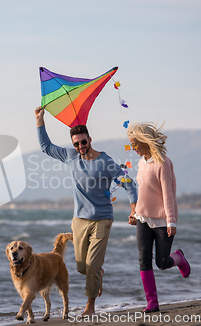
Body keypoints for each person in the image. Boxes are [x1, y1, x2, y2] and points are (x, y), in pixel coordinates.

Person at [35, 106, 138, 316]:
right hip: (79, 220)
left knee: (91, 265)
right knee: (82, 267)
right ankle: (97, 272)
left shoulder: (105, 161)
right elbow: (46, 147)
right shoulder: (71, 157)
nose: (80, 146)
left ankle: (89, 307)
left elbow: (129, 183)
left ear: (89, 139)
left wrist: (133, 208)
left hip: (102, 219)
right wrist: (39, 120)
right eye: (76, 143)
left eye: (83, 142)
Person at [126, 122, 191, 313]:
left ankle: (178, 258)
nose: (133, 148)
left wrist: (171, 220)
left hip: (163, 221)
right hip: (143, 219)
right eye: (131, 144)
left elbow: (167, 194)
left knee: (162, 263)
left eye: (135, 144)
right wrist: (135, 213)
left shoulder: (163, 163)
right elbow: (144, 193)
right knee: (143, 260)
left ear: (145, 141)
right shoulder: (139, 163)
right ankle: (152, 302)